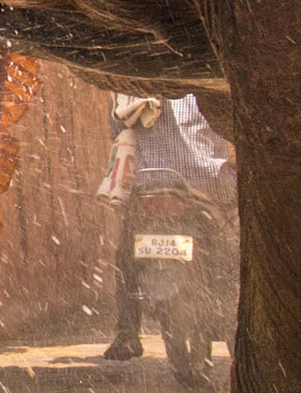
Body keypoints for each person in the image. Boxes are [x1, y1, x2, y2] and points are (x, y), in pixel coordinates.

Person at [98, 93, 235, 361]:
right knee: (233, 242)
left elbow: (116, 129)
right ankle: (234, 320)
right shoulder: (202, 86)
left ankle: (127, 332)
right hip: (205, 182)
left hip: (148, 183)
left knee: (127, 255)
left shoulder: (131, 86)